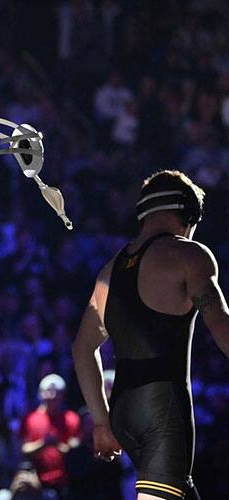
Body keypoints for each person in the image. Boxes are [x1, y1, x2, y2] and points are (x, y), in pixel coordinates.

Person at [72, 170, 229, 500]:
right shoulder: (189, 255)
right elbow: (222, 327)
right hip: (162, 406)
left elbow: (82, 349)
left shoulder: (109, 270)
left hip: (123, 410)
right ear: (188, 215)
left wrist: (101, 422)